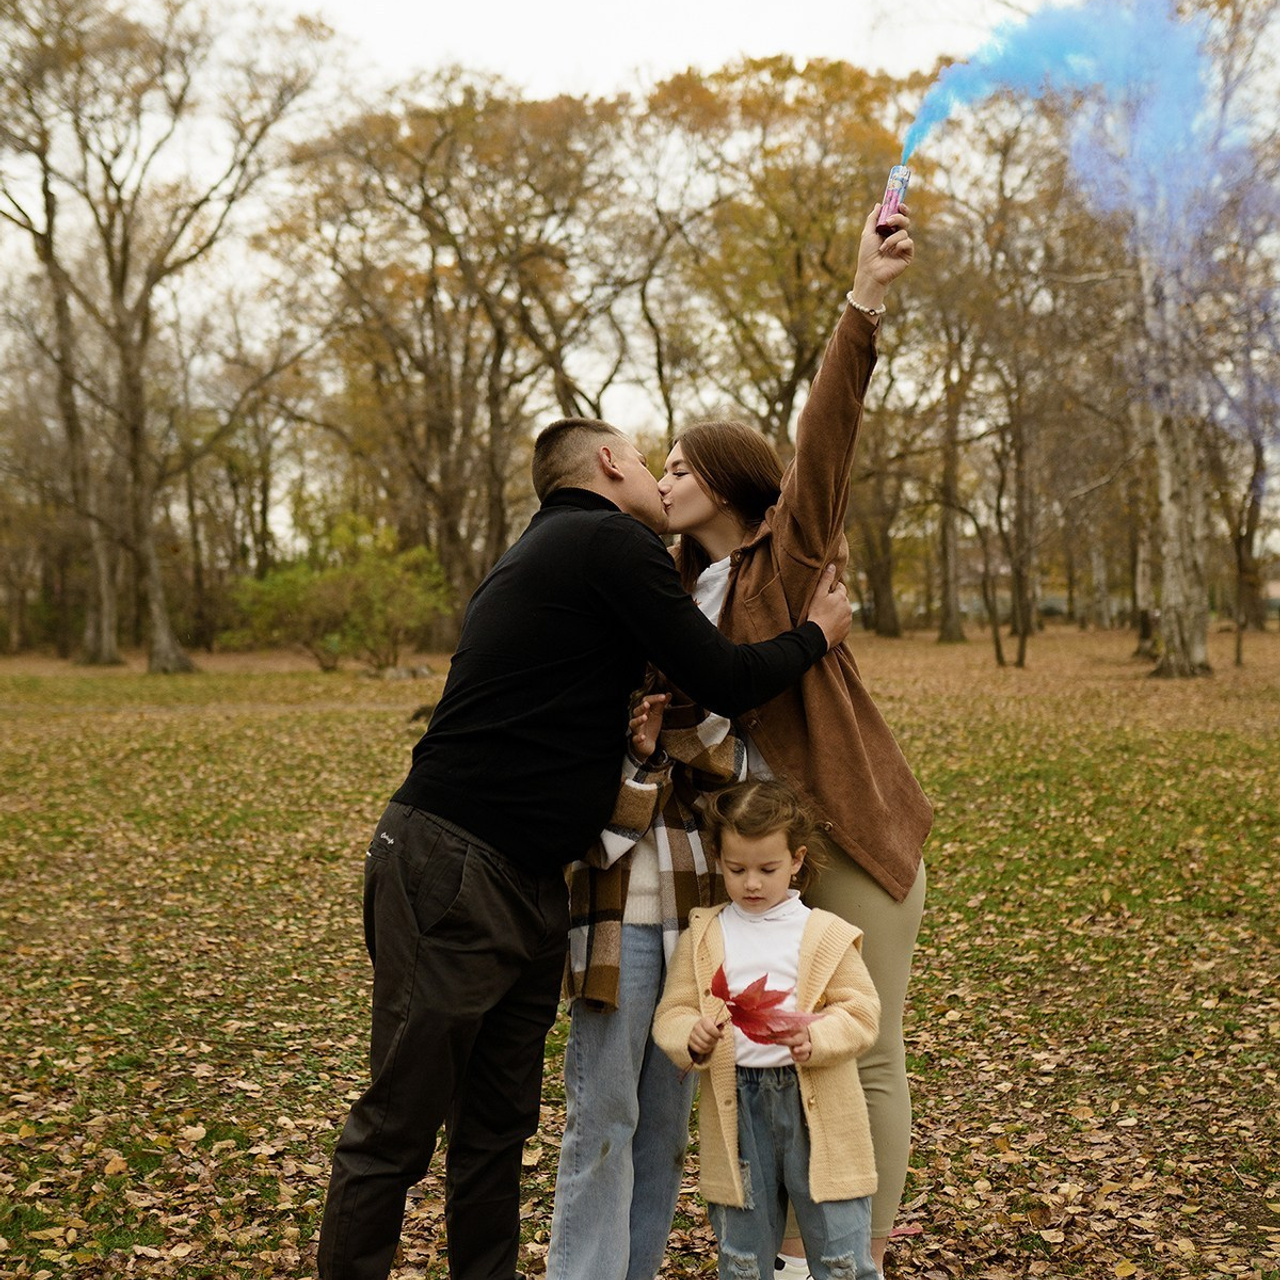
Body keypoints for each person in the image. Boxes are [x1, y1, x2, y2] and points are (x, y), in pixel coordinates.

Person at [315, 415, 855, 1280]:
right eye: (644, 460)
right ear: (608, 463)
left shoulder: (557, 559)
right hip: (452, 862)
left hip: (534, 881)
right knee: (399, 1124)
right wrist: (817, 635)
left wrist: (634, 744)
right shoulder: (607, 540)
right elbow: (724, 675)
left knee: (497, 1129)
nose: (655, 477)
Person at [548, 202, 928, 1280]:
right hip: (740, 858)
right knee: (761, 1053)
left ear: (720, 478)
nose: (662, 480)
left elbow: (826, 438)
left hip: (846, 828)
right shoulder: (669, 597)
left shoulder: (787, 558)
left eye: (677, 465)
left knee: (861, 1047)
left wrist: (863, 299)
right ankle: (784, 1248)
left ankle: (847, 1259)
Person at [652, 779, 882, 1280]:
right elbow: (673, 1012)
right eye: (737, 870)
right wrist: (690, 1034)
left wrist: (816, 1037)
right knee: (743, 1256)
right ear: (718, 859)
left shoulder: (824, 934)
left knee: (840, 1253)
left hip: (817, 1107)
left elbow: (861, 1011)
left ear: (796, 860)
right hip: (738, 1111)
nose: (751, 883)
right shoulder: (704, 935)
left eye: (767, 869)